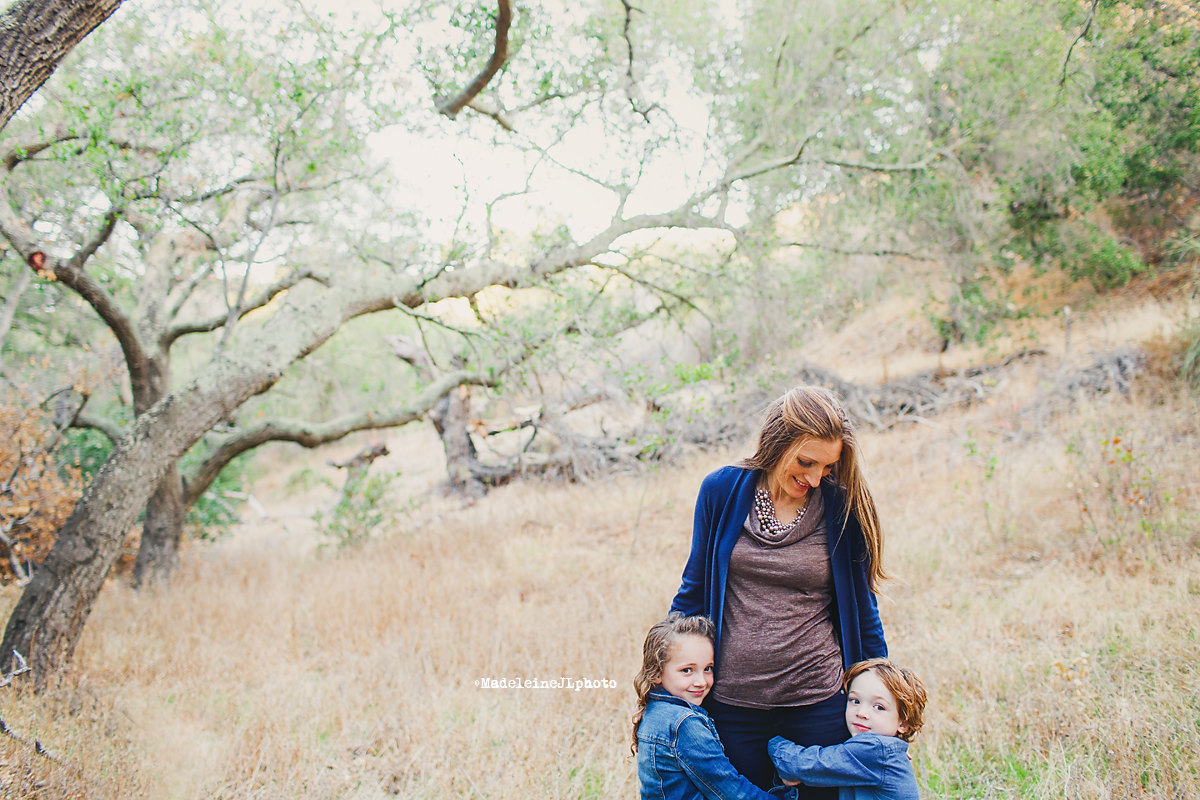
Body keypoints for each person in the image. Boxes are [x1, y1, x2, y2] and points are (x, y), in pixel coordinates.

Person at [671, 386, 889, 797]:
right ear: (776, 443)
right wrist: (659, 683)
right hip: (734, 704)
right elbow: (693, 591)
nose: (814, 477)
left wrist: (885, 703)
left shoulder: (842, 506)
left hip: (817, 703)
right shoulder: (721, 490)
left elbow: (864, 612)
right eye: (806, 462)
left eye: (826, 467)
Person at [633, 613, 787, 800]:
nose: (701, 681)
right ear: (656, 672)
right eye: (687, 670)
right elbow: (731, 792)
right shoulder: (684, 724)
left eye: (708, 668)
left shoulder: (653, 710)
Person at [768, 659, 927, 800]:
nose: (862, 713)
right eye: (855, 701)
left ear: (903, 724)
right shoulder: (885, 752)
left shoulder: (875, 750)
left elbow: (798, 765)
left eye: (879, 707)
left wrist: (773, 742)